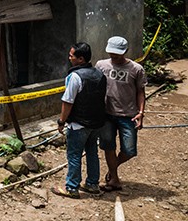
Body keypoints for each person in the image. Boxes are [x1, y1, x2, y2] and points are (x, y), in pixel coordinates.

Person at [52, 42, 107, 199]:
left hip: (78, 124)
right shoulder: (99, 74)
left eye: (71, 56)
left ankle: (71, 187)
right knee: (92, 152)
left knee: (74, 155)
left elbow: (67, 101)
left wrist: (61, 121)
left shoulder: (75, 77)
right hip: (96, 123)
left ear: (81, 59)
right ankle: (92, 184)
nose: (69, 58)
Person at [97, 36, 146, 192]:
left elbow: (140, 91)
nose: (114, 56)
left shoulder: (136, 69)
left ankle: (113, 168)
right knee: (108, 146)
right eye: (111, 53)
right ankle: (114, 179)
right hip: (106, 114)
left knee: (129, 150)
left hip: (128, 115)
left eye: (117, 54)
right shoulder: (101, 65)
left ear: (125, 51)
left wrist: (141, 112)